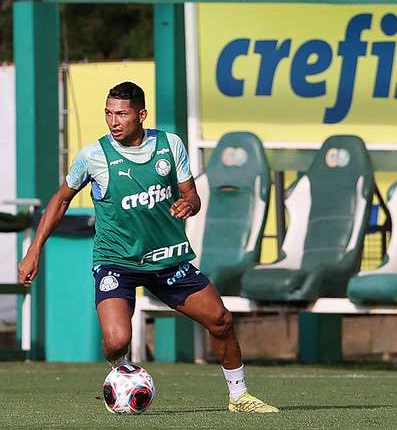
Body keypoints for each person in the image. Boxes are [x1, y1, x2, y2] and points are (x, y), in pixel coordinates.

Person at [17, 81, 278, 413]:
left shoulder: (170, 145)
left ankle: (239, 396)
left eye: (122, 114)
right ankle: (121, 372)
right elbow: (60, 200)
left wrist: (189, 204)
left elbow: (191, 195)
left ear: (141, 115)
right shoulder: (94, 155)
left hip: (167, 259)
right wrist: (34, 250)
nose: (114, 121)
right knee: (116, 341)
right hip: (117, 261)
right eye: (109, 113)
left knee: (221, 320)